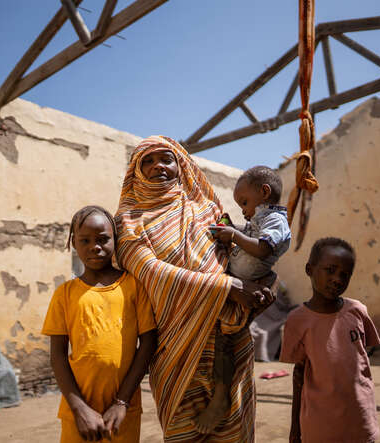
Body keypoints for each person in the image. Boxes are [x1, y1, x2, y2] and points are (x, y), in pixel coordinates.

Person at [115, 136, 274, 442]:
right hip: (174, 345)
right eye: (147, 161)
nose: (157, 165)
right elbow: (152, 271)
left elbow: (237, 252)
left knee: (234, 434)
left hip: (227, 338)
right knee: (184, 434)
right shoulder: (128, 222)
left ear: (182, 165)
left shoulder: (208, 209)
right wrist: (226, 286)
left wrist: (264, 281)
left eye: (166, 158)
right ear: (135, 170)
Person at [42, 206, 157, 442]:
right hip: (79, 413)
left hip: (122, 412)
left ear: (115, 240)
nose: (95, 246)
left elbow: (147, 345)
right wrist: (79, 408)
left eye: (103, 239)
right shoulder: (64, 294)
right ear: (74, 243)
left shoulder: (133, 287)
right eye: (85, 240)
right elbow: (58, 356)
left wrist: (121, 402)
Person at [201, 165, 291, 432]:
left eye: (244, 202)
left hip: (249, 285)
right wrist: (233, 227)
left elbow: (263, 249)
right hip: (237, 279)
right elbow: (249, 236)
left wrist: (235, 236)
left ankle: (220, 396)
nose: (243, 208)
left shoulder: (276, 221)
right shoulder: (258, 219)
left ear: (264, 192)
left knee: (224, 341)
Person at [280, 237, 380, 443]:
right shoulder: (298, 320)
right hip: (320, 425)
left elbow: (362, 361)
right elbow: (298, 375)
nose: (337, 279)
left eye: (345, 274)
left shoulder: (357, 312)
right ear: (309, 269)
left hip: (360, 420)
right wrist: (294, 429)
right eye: (330, 270)